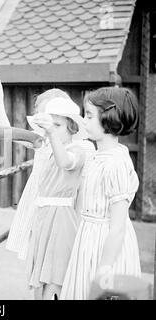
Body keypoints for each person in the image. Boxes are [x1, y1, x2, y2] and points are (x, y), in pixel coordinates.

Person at [0, 80, 95, 300]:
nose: (49, 127)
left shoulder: (80, 147)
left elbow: (69, 167)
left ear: (71, 125)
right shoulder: (45, 142)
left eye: (56, 124)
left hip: (67, 211)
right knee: (39, 273)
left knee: (58, 273)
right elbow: (11, 133)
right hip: (41, 208)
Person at [60, 87, 141, 300]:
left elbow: (118, 227)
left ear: (108, 118)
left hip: (107, 246)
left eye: (89, 115)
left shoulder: (115, 163)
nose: (84, 122)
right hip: (89, 239)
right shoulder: (97, 155)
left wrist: (104, 269)